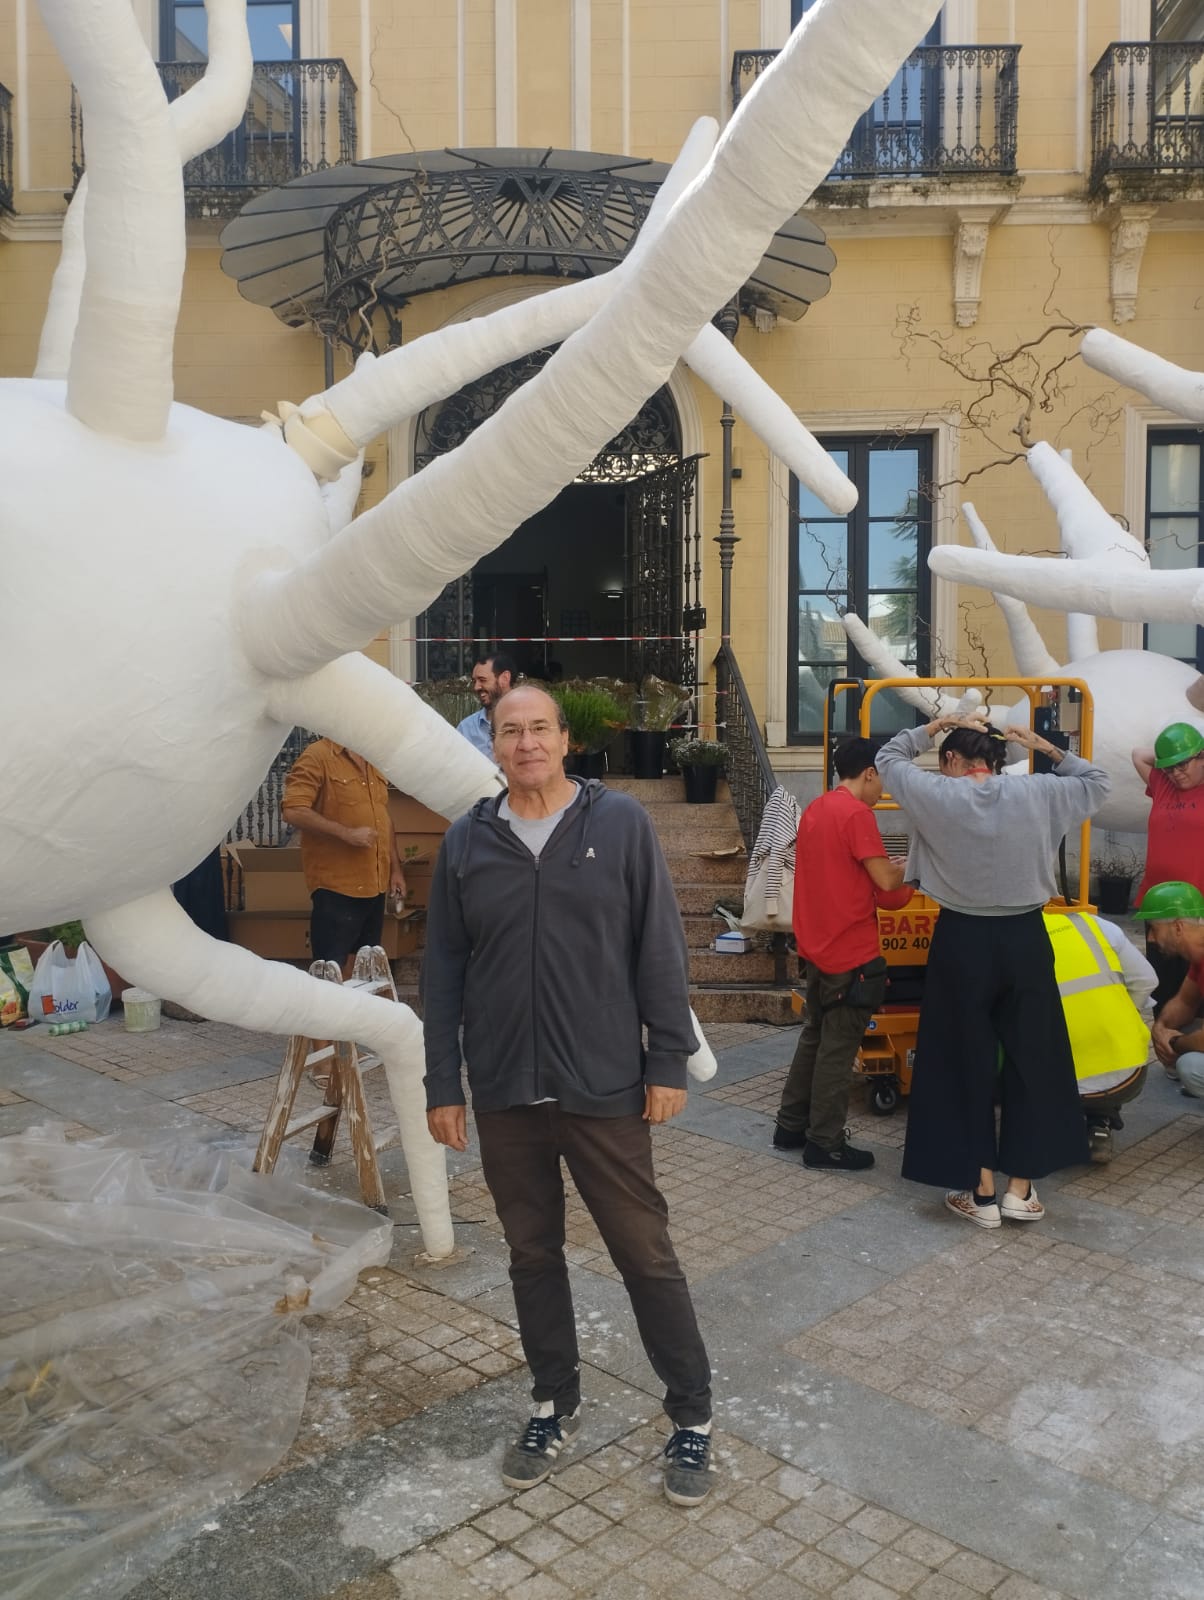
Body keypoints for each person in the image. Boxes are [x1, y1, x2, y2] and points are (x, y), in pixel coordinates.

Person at [422, 683, 716, 1507]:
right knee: (531, 1252)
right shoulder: (466, 842)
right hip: (507, 1088)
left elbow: (659, 948)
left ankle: (690, 1415)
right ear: (493, 745)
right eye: (509, 731)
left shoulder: (618, 824)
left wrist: (666, 1062)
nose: (525, 744)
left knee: (644, 1253)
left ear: (564, 740)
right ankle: (554, 1400)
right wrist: (443, 1083)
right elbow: (442, 973)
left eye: (539, 728)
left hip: (606, 1087)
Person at [876, 714, 1109, 1227]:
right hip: (1026, 935)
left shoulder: (936, 794)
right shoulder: (1041, 793)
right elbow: (1098, 782)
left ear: (951, 761)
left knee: (963, 1058)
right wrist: (1044, 745)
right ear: (1000, 761)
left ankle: (979, 1192)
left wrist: (933, 723)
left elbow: (886, 758)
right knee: (1034, 1055)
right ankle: (1020, 1191)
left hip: (962, 937)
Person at [772, 737, 911, 1171]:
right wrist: (912, 868)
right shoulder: (856, 815)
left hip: (817, 948)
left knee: (814, 1037)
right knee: (837, 1048)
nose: (883, 789)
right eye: (881, 778)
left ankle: (790, 1126)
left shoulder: (816, 809)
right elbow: (887, 886)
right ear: (868, 772)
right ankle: (825, 1143)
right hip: (852, 954)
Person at [1042, 908, 1155, 1163]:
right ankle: (1100, 1123)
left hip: (1059, 1087)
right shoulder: (1096, 925)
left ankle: (1048, 1127)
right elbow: (1147, 980)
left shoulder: (1011, 940)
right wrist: (1120, 1012)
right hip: (1130, 1075)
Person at [281, 739, 405, 969]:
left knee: (366, 971)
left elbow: (383, 819)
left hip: (374, 885)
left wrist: (395, 870)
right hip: (336, 889)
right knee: (331, 972)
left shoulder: (372, 759)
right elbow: (293, 810)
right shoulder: (317, 756)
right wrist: (346, 834)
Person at [1131, 722, 1204, 1007]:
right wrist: (1173, 754)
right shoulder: (1162, 784)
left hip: (1196, 908)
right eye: (1169, 766)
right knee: (1163, 988)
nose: (1176, 773)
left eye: (1183, 764)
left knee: (1194, 991)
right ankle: (1166, 1045)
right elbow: (1139, 754)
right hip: (1159, 906)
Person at [1134, 879, 1204, 1100]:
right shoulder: (1198, 958)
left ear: (1178, 927)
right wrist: (1161, 1028)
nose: (1150, 938)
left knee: (1190, 1066)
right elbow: (1185, 1002)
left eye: (1154, 929)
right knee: (1186, 1027)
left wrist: (1174, 1043)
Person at [455, 652, 517, 757]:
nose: (476, 687)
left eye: (482, 680)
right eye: (474, 681)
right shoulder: (466, 729)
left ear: (505, 678)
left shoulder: (530, 723)